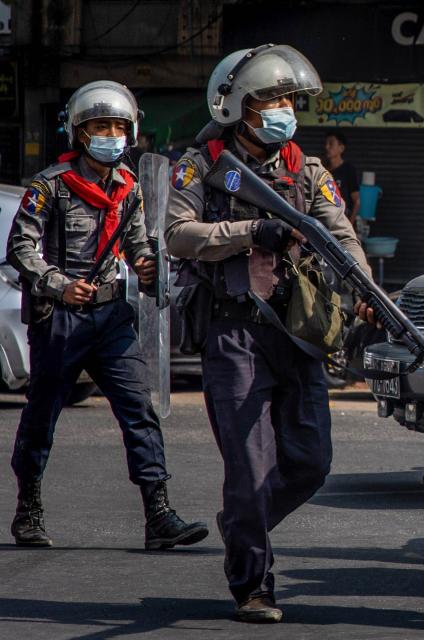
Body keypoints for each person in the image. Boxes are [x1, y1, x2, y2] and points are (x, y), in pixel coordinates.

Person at [165, 44, 369, 624]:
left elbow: (342, 234)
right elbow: (177, 233)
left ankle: (241, 523)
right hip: (235, 334)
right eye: (269, 100)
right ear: (236, 106)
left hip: (298, 335)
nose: (282, 109)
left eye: (287, 99)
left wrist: (363, 286)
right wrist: (251, 230)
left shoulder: (307, 169)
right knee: (250, 471)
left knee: (311, 463)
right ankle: (253, 583)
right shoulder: (200, 164)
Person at [6, 80, 208, 551]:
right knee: (42, 417)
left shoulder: (130, 188)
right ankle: (28, 510)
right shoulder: (50, 187)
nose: (111, 134)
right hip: (59, 319)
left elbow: (139, 245)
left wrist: (148, 264)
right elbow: (20, 248)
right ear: (80, 133)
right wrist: (59, 284)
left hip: (113, 317)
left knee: (140, 410)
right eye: (101, 126)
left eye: (119, 126)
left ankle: (158, 516)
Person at [324, 131, 360, 225]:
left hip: (342, 223)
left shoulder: (348, 170)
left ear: (341, 148)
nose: (327, 147)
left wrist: (350, 225)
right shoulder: (323, 171)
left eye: (331, 144)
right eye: (326, 144)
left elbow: (357, 201)